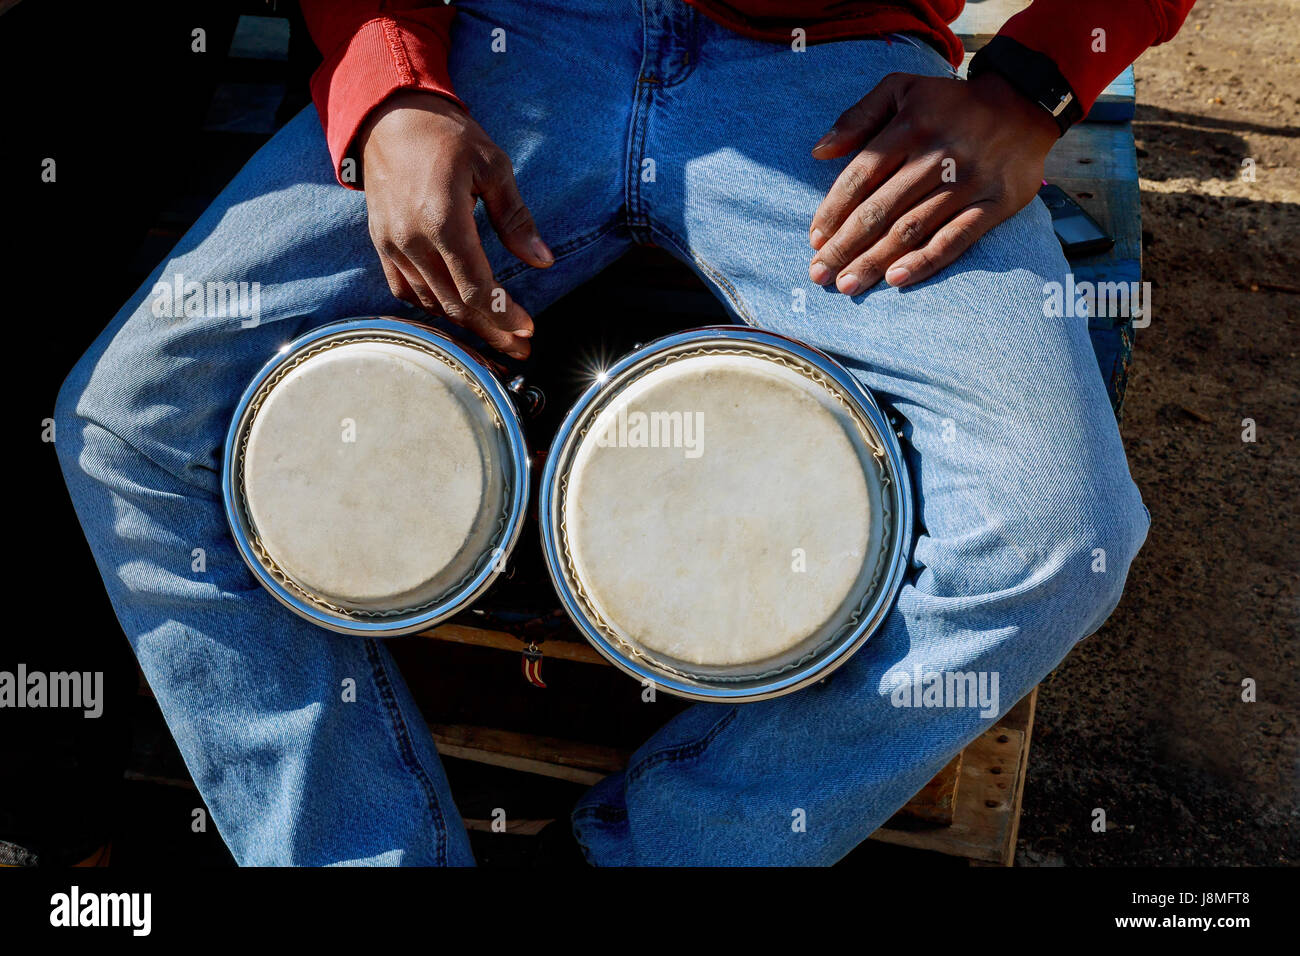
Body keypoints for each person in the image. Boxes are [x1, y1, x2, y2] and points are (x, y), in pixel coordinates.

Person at [55, 0, 1193, 865]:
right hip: (505, 44)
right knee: (131, 422)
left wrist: (1036, 81)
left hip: (837, 79)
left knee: (1057, 526)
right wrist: (388, 79)